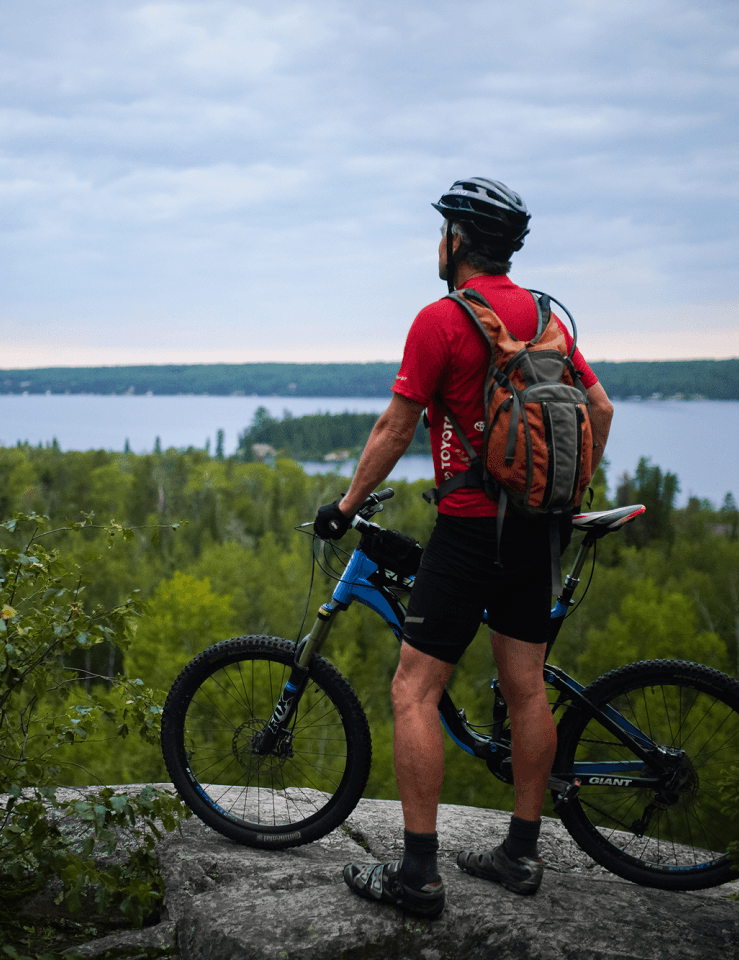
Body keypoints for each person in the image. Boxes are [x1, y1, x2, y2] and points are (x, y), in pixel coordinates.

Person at [312, 177, 614, 919]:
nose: (436, 244)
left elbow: (394, 428)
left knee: (413, 689)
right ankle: (520, 852)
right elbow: (598, 408)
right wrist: (564, 498)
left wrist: (345, 506)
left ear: (456, 242)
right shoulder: (546, 316)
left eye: (441, 231)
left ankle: (418, 876)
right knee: (527, 687)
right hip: (537, 526)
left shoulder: (442, 319)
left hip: (473, 522)